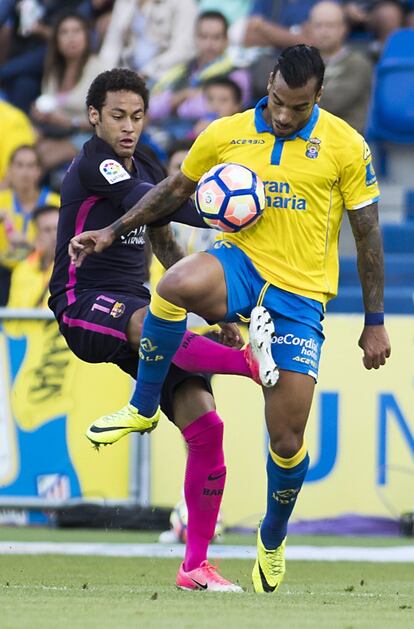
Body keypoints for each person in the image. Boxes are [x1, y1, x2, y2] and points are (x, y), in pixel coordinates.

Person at [70, 46, 391, 594]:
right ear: (266, 83)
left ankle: (272, 533)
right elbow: (174, 191)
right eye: (276, 102)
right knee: (173, 286)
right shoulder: (227, 132)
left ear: (317, 96)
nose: (284, 116)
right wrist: (108, 230)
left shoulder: (345, 145)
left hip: (300, 293)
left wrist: (375, 319)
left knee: (286, 437)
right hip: (239, 263)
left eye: (297, 107)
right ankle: (144, 407)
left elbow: (366, 234)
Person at [49, 68, 277, 592]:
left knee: (207, 427)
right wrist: (231, 213)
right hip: (83, 302)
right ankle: (252, 364)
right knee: (147, 323)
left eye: (137, 117)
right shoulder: (94, 164)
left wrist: (214, 314)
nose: (128, 127)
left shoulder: (147, 160)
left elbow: (163, 245)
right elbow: (153, 202)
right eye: (117, 116)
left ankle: (194, 565)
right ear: (93, 117)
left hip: (141, 308)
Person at [308, 1, 373, 132]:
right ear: (309, 28)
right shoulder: (306, 61)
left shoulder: (358, 64)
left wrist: (294, 99)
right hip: (309, 138)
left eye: (330, 25)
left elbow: (331, 103)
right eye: (318, 25)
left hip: (346, 140)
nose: (324, 32)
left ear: (343, 28)